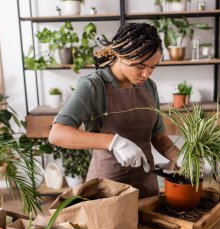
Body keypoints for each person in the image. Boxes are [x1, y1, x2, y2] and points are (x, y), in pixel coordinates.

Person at [48, 22, 179, 198]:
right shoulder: (93, 86)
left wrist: (180, 156)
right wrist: (113, 142)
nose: (146, 74)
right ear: (121, 56)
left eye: (153, 67)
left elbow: (158, 136)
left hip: (147, 187)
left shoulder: (149, 87)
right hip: (107, 191)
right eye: (140, 66)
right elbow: (57, 134)